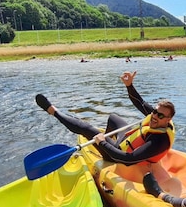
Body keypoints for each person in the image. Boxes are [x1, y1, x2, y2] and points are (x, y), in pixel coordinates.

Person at [35, 71, 176, 172]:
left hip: (120, 157)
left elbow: (128, 159)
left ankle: (54, 112)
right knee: (113, 117)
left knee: (87, 129)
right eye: (155, 111)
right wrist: (129, 85)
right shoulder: (158, 117)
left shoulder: (159, 141)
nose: (155, 116)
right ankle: (107, 147)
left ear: (168, 119)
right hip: (125, 143)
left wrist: (101, 142)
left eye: (160, 115)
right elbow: (140, 103)